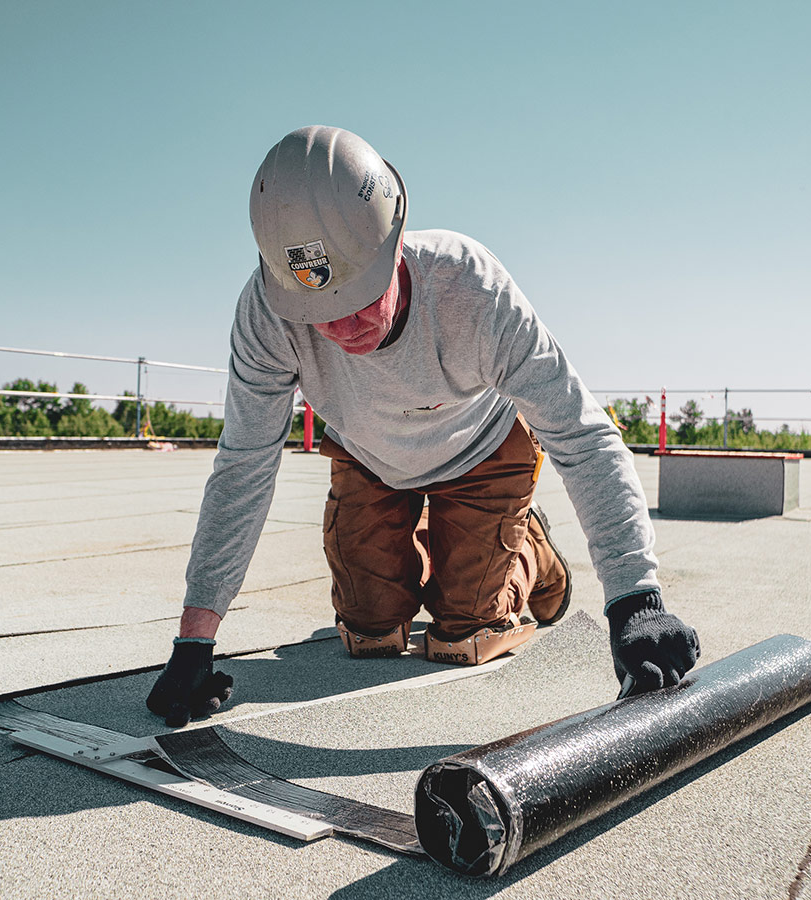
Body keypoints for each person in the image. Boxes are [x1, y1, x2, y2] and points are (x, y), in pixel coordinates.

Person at [147, 126, 699, 726]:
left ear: (394, 241)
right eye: (320, 312)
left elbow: (584, 436)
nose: (341, 327)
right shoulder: (267, 313)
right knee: (369, 630)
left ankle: (531, 553)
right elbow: (244, 463)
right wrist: (194, 638)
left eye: (358, 297)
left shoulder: (473, 289)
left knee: (464, 630)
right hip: (369, 456)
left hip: (482, 451)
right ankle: (442, 546)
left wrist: (635, 600)